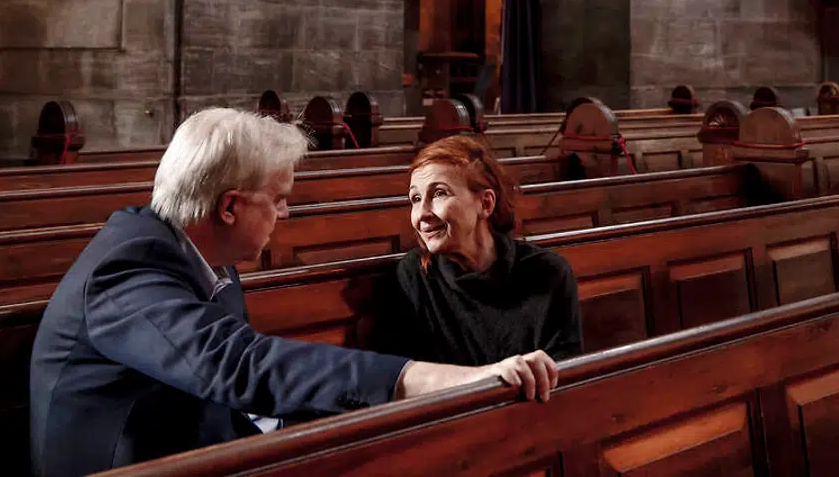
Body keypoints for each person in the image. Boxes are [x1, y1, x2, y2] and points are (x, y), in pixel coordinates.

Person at [29, 108, 559, 477]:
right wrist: (433, 379)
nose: (285, 214)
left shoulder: (206, 255)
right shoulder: (127, 269)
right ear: (230, 206)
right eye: (278, 199)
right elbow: (238, 366)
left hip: (192, 452)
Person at [379, 135, 582, 365]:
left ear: (485, 204)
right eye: (415, 198)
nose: (422, 214)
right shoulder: (415, 275)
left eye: (439, 194)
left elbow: (565, 379)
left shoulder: (548, 273)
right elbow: (406, 378)